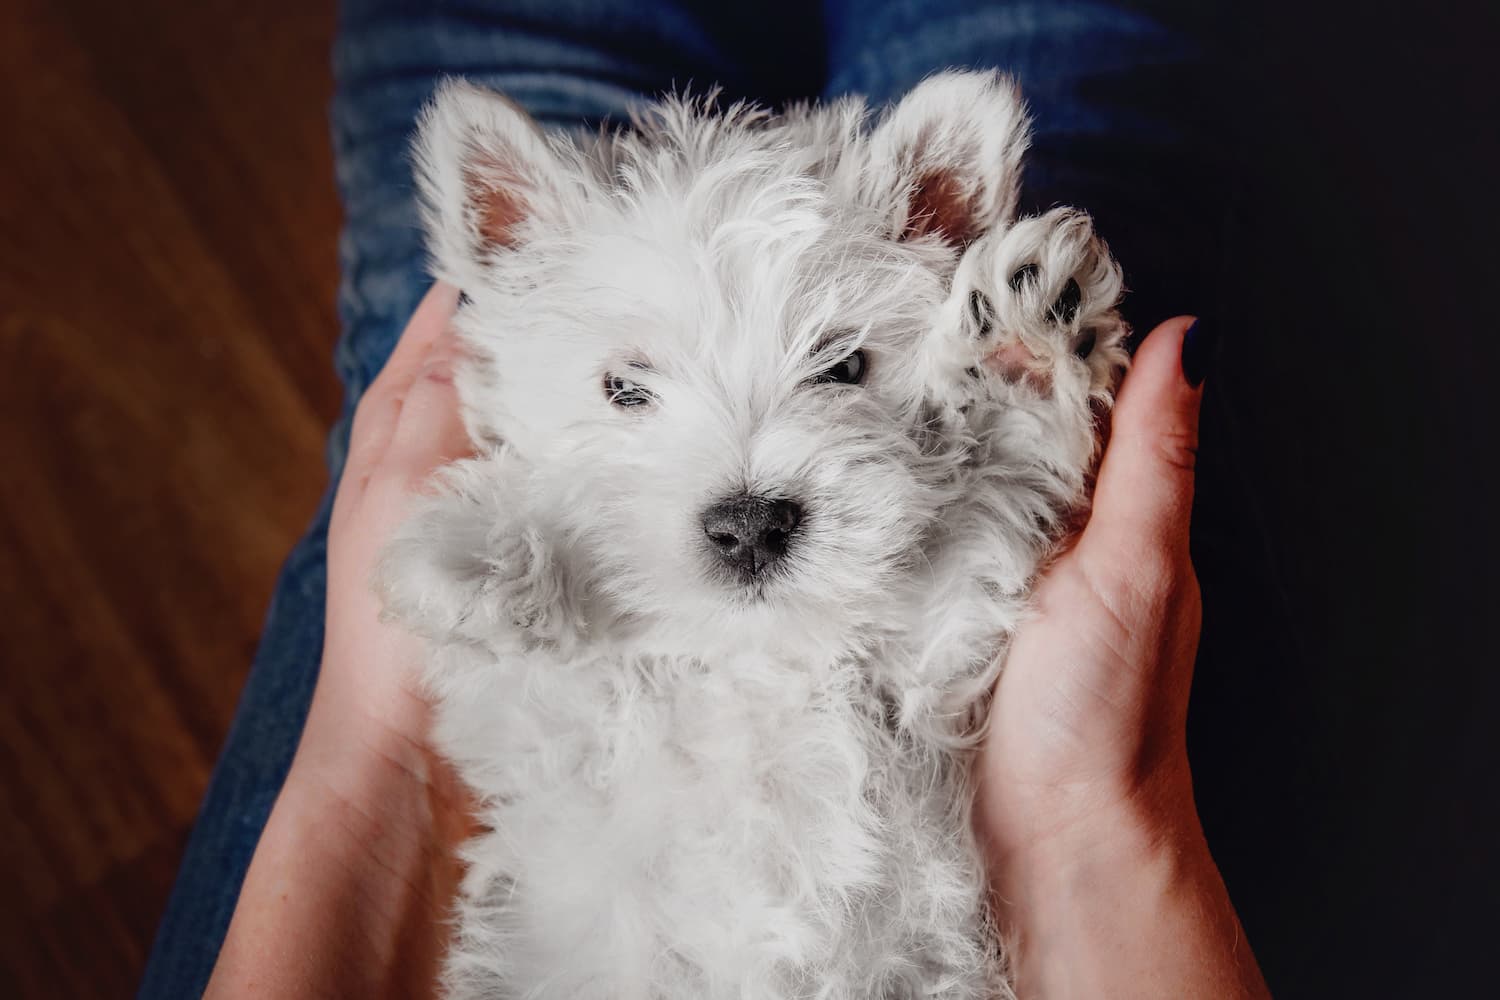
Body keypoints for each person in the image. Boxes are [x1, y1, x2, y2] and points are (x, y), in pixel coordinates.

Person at [142, 2, 1266, 997]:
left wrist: (376, 749)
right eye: (632, 388)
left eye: (835, 365)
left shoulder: (544, 547)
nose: (742, 495)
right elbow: (969, 621)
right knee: (1075, 75)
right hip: (959, 796)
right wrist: (1092, 820)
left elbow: (492, 698)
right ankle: (1013, 384)